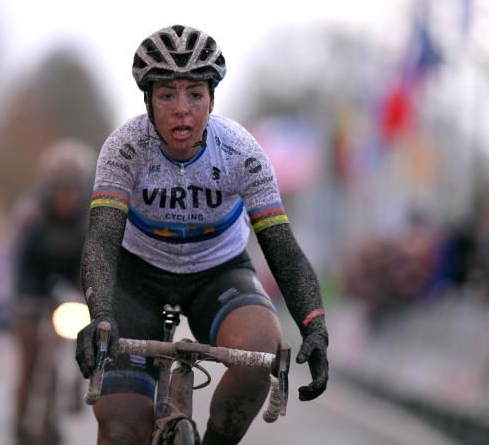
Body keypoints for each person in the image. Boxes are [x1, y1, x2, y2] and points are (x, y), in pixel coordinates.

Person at [75, 25, 329, 445]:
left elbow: (282, 247)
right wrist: (100, 313)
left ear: (212, 99)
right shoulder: (124, 149)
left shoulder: (241, 152)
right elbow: (102, 240)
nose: (182, 110)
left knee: (260, 351)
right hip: (137, 278)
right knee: (121, 428)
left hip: (218, 272)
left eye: (195, 94)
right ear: (147, 101)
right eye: (167, 96)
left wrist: (314, 325)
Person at [9, 138, 96, 445]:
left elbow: (89, 261)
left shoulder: (88, 216)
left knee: (66, 342)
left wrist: (90, 296)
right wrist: (22, 304)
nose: (67, 196)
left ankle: (58, 408)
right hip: (31, 288)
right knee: (30, 358)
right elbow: (19, 261)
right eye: (61, 188)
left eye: (73, 189)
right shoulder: (31, 213)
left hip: (67, 285)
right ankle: (20, 423)